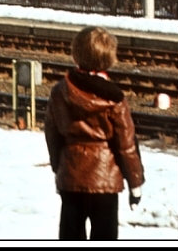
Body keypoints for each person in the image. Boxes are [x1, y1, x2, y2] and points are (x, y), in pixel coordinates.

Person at [44, 26, 145, 240]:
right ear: (109, 58)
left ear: (76, 54)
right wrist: (135, 183)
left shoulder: (60, 91)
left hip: (71, 176)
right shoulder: (115, 99)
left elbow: (52, 135)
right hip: (105, 183)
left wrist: (59, 167)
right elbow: (126, 146)